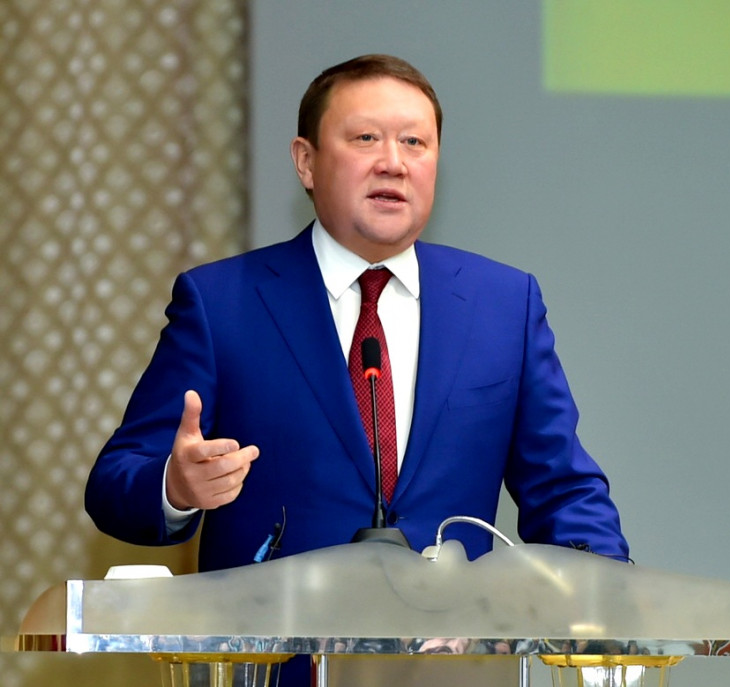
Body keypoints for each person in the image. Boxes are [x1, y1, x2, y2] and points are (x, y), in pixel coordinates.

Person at [86, 51, 628, 584]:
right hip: (275, 638)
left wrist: (611, 594)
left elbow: (563, 490)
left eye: (415, 142)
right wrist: (176, 488)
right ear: (306, 161)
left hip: (450, 637)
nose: (394, 162)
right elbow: (115, 482)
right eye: (366, 138)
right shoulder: (222, 301)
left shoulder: (504, 304)